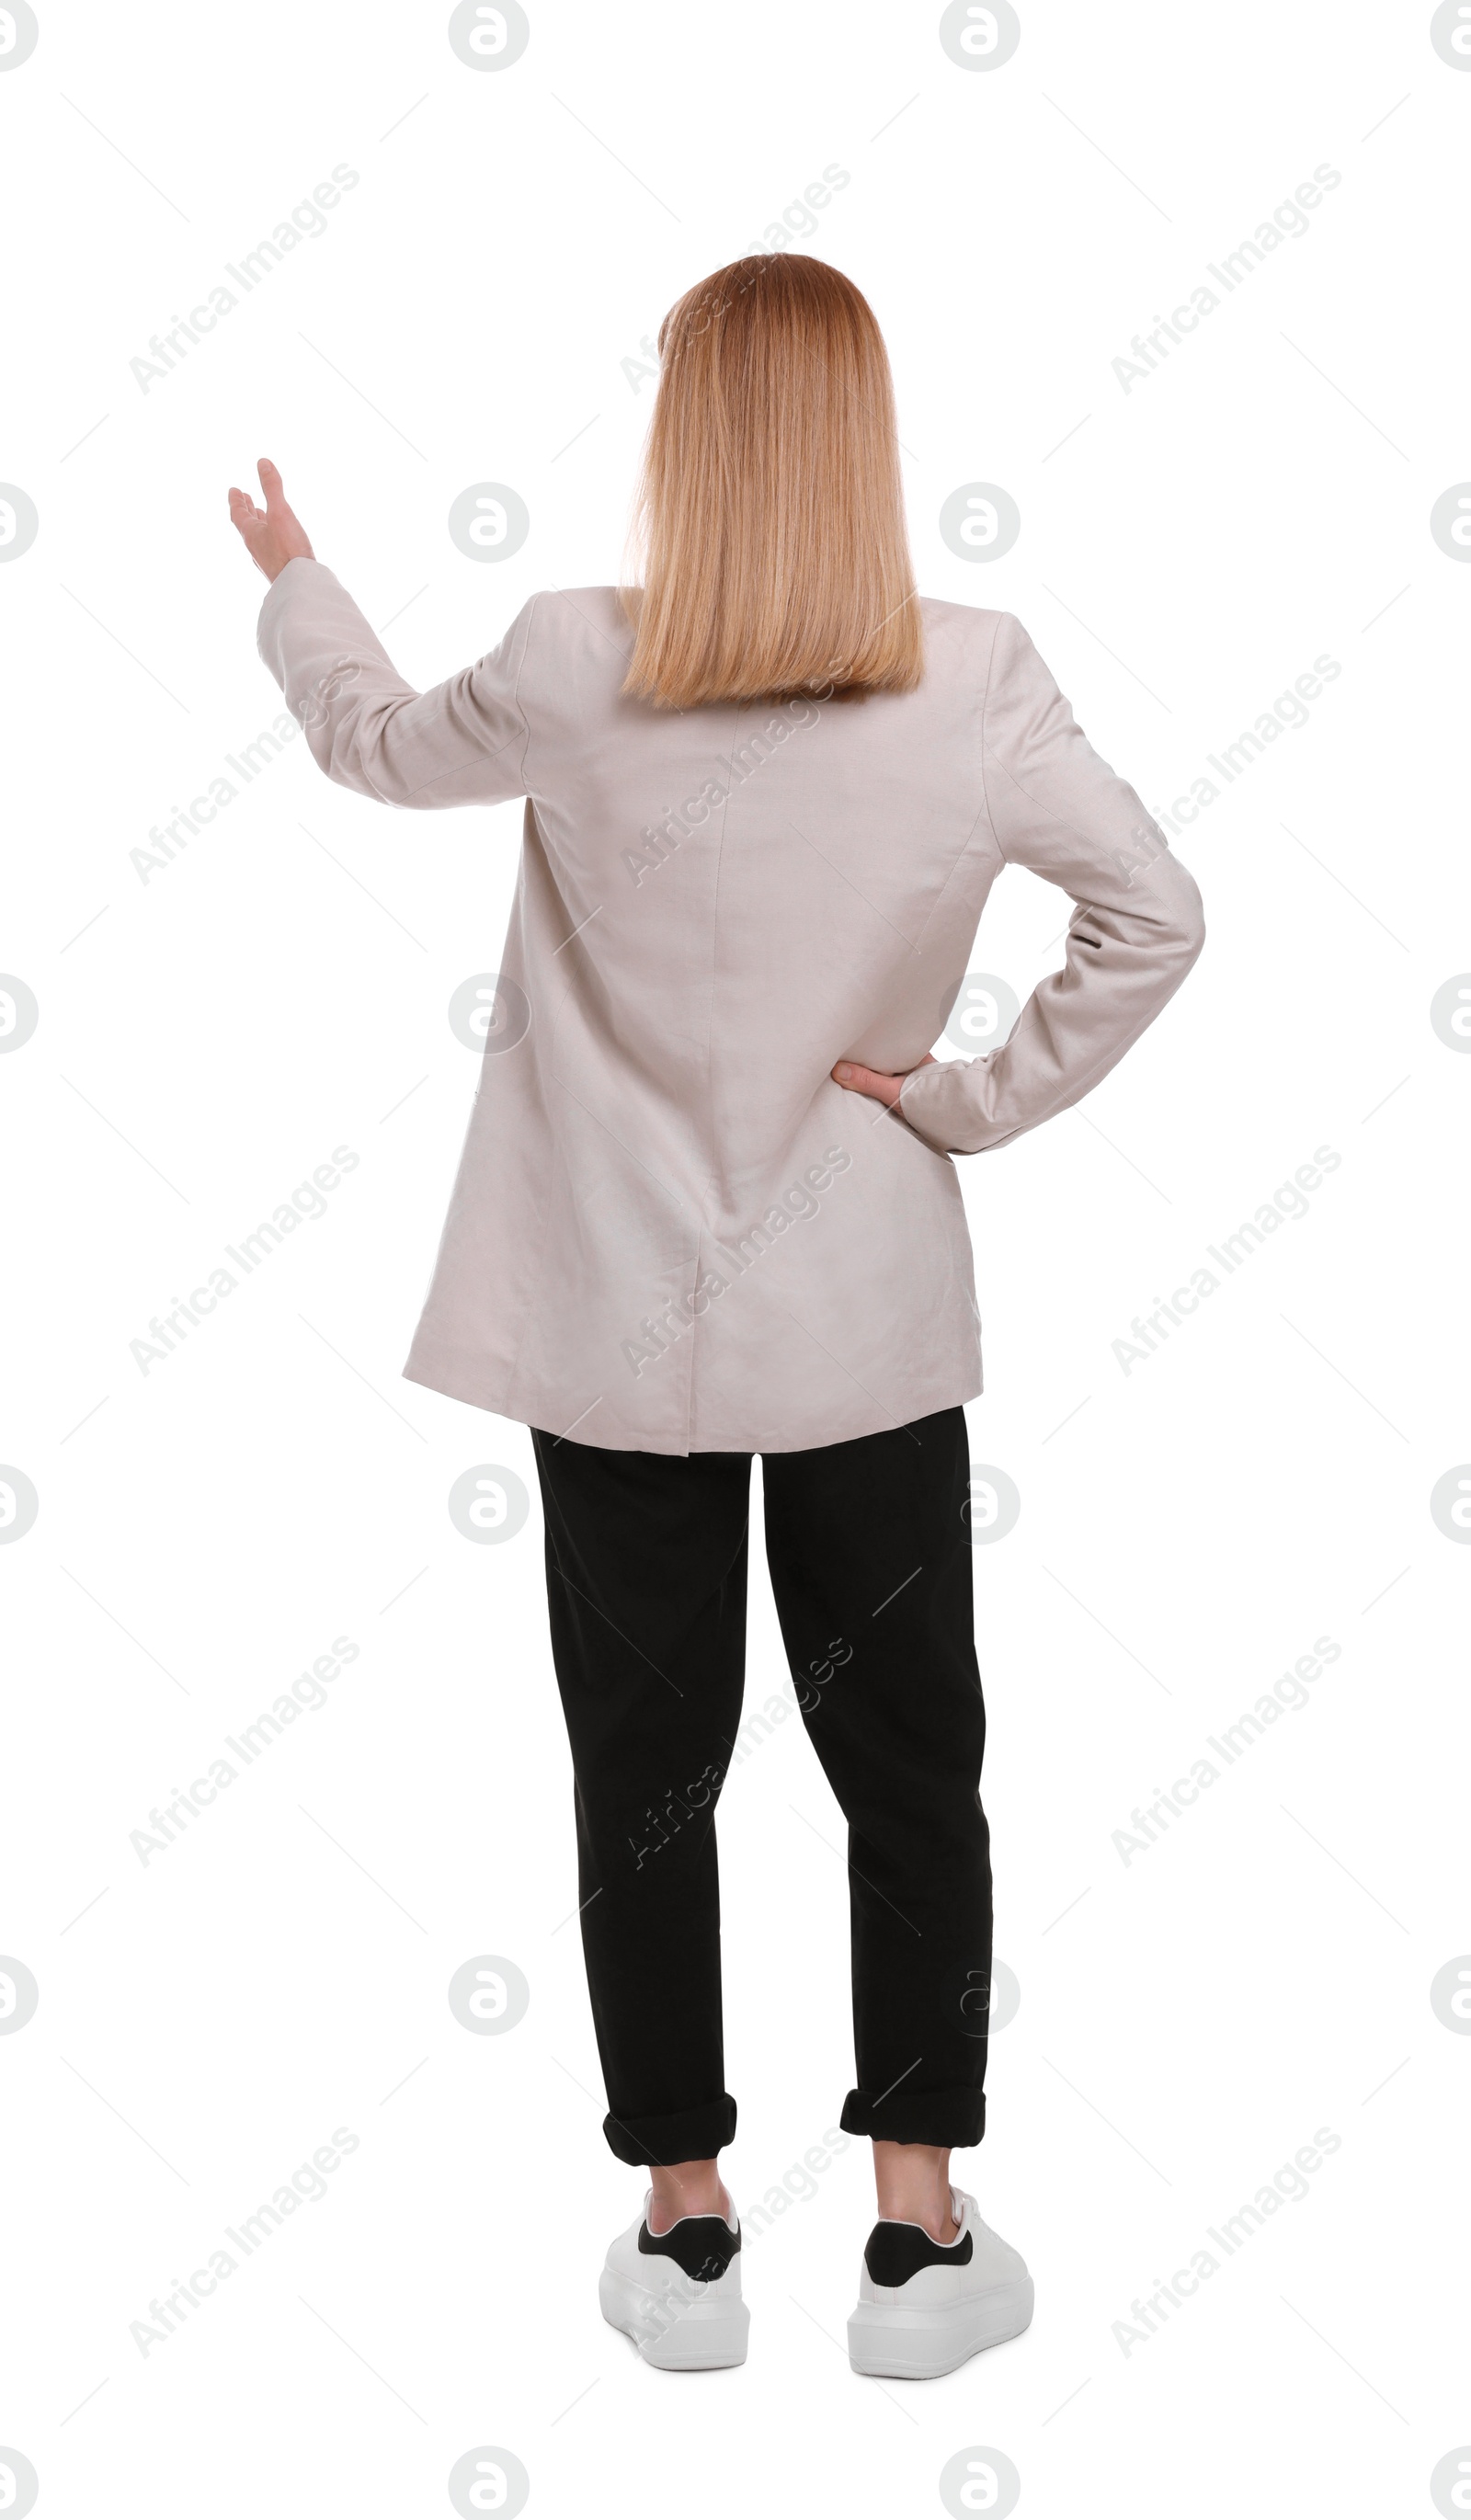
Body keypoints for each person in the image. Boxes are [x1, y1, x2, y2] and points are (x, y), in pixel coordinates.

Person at [230, 252, 1204, 2380]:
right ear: (863, 437)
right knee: (909, 1768)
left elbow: (374, 748)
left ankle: (682, 2233)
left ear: (685, 438)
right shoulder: (974, 679)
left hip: (612, 1330)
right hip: (862, 1322)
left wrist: (300, 578)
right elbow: (1154, 916)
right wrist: (961, 1105)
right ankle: (915, 2235)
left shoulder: (580, 662)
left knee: (645, 1772)